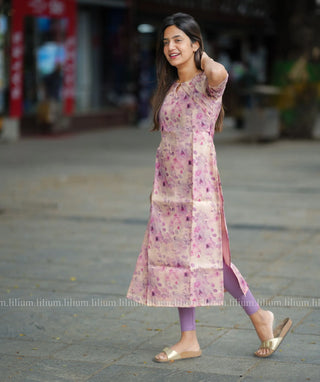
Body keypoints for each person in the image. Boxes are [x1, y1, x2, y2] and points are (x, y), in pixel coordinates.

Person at [127, 13, 292, 362]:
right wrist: (156, 192)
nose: (170, 47)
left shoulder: (206, 82)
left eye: (178, 41)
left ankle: (260, 317)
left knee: (214, 260)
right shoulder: (172, 88)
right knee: (178, 260)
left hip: (197, 188)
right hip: (169, 191)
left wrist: (202, 58)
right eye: (166, 42)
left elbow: (221, 74)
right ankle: (191, 339)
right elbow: (167, 143)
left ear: (195, 45)